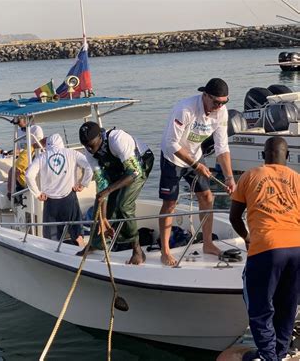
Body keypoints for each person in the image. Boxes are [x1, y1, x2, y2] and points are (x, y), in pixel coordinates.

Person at [229, 137, 300, 361]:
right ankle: (279, 352)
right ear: (287, 156)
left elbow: (234, 217)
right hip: (297, 248)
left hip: (266, 247)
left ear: (263, 155)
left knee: (260, 308)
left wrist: (247, 237)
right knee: (287, 305)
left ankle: (269, 356)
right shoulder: (298, 179)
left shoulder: (250, 176)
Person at [158, 78, 236, 266]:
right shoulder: (184, 109)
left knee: (207, 198)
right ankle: (165, 250)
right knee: (170, 203)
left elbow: (222, 147)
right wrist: (195, 165)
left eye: (223, 103)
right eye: (216, 102)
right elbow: (171, 144)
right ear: (205, 95)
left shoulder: (221, 113)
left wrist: (229, 177)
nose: (219, 106)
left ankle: (208, 244)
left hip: (195, 154)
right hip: (173, 157)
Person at [78, 121, 154, 265]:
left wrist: (107, 191)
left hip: (140, 165)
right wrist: (104, 216)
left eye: (92, 145)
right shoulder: (89, 152)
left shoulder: (118, 139)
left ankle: (137, 251)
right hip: (118, 170)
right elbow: (102, 183)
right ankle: (94, 243)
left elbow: (134, 172)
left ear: (100, 137)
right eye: (86, 146)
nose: (90, 149)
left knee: (124, 205)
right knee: (98, 204)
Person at [26, 133, 93, 247]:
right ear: (61, 143)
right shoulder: (72, 153)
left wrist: (37, 194)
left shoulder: (42, 157)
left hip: (50, 202)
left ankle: (55, 256)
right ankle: (82, 251)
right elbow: (89, 167)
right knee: (77, 233)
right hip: (69, 199)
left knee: (52, 239)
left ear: (47, 145)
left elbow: (29, 175)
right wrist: (83, 184)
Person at [7, 125, 45, 200]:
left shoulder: (27, 152)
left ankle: (14, 197)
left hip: (30, 185)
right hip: (45, 184)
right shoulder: (48, 151)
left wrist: (9, 192)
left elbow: (13, 171)